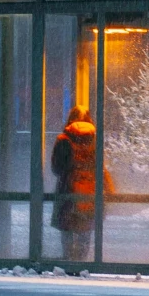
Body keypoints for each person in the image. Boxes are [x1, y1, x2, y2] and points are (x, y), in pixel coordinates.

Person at [50, 105, 113, 267]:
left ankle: (69, 263)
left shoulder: (64, 140)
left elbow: (57, 168)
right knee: (85, 232)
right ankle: (82, 264)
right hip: (90, 194)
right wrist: (109, 188)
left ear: (71, 118)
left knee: (68, 232)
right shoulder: (94, 139)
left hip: (68, 193)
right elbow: (100, 167)